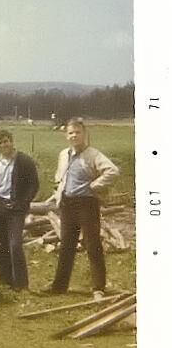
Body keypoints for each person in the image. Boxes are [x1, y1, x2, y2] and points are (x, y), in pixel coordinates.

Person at [44, 118, 119, 298]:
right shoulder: (64, 154)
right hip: (68, 204)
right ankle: (59, 286)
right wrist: (58, 191)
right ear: (66, 136)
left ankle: (98, 288)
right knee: (66, 246)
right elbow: (59, 176)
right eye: (70, 133)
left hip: (87, 203)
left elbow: (113, 171)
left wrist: (95, 186)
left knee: (92, 245)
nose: (74, 136)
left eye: (77, 132)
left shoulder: (93, 154)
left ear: (84, 134)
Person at [0, 129, 39, 291]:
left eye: (6, 141)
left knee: (15, 244)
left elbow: (34, 185)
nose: (3, 145)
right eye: (0, 143)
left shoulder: (24, 161)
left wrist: (24, 202)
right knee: (2, 245)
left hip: (16, 208)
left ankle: (21, 284)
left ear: (12, 142)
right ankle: (5, 281)